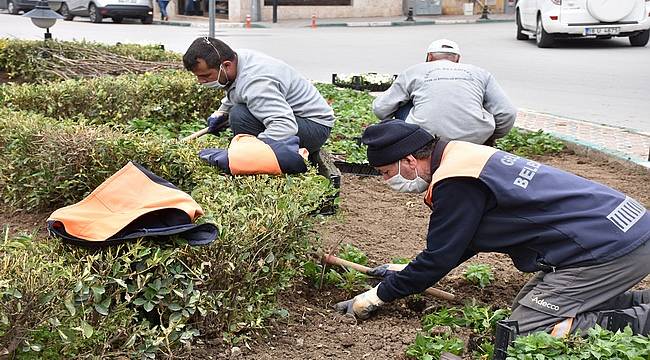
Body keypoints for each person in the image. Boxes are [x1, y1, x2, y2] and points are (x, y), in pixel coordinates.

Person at [334, 119, 650, 337]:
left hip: (610, 249)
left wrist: (377, 297)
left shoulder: (456, 182)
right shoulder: (460, 155)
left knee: (525, 334)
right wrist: (406, 272)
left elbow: (440, 257)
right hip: (622, 229)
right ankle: (640, 304)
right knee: (527, 309)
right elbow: (462, 242)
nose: (388, 181)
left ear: (409, 160)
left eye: (387, 172)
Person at [182, 37, 335, 156]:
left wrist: (251, 150)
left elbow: (285, 126)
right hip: (299, 119)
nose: (201, 81)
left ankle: (258, 163)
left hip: (314, 128)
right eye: (198, 76)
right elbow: (237, 90)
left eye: (206, 75)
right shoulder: (238, 59)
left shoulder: (256, 81)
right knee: (237, 112)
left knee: (239, 115)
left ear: (226, 65)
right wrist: (222, 112)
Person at [372, 39, 517, 146]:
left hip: (425, 137)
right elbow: (507, 112)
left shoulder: (414, 71)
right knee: (480, 101)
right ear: (458, 59)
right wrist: (489, 136)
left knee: (404, 102)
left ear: (429, 57)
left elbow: (381, 108)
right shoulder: (481, 73)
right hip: (475, 139)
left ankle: (414, 145)